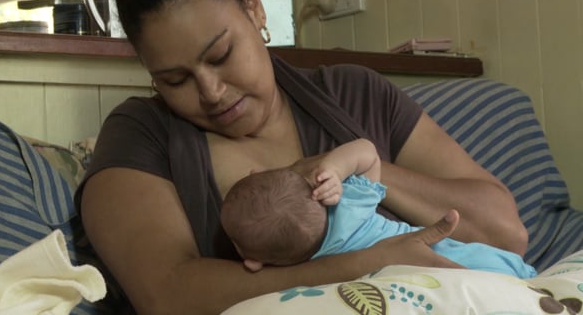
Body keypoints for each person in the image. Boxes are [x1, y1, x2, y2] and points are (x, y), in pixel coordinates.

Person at [76, 0, 529, 313]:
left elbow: (506, 233)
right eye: (175, 80)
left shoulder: (354, 94)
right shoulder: (140, 136)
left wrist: (360, 170)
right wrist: (359, 266)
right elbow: (169, 297)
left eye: (221, 55)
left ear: (252, 6)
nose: (211, 92)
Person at [221, 139, 537, 279]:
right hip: (476, 259)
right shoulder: (346, 204)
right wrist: (334, 168)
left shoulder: (306, 268)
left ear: (253, 262)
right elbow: (368, 153)